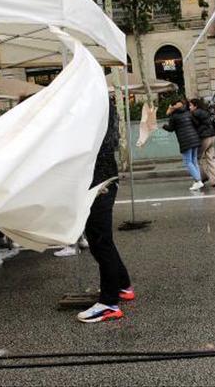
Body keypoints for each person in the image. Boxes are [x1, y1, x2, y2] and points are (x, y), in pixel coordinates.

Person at [76, 104, 134, 323]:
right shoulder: (100, 100)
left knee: (100, 240)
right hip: (101, 178)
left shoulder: (96, 101)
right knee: (101, 238)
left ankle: (109, 303)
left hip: (99, 181)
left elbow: (99, 142)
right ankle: (123, 285)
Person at [163, 98, 203, 191]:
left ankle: (198, 181)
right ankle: (198, 180)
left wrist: (164, 126)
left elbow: (170, 128)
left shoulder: (174, 116)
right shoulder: (188, 112)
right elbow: (196, 123)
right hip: (195, 139)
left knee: (188, 161)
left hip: (186, 141)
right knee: (194, 161)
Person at [189, 98, 215, 188]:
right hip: (213, 136)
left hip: (204, 137)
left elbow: (195, 126)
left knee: (196, 158)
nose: (189, 107)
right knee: (211, 158)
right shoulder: (206, 111)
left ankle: (202, 176)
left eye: (190, 105)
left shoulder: (195, 113)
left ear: (195, 106)